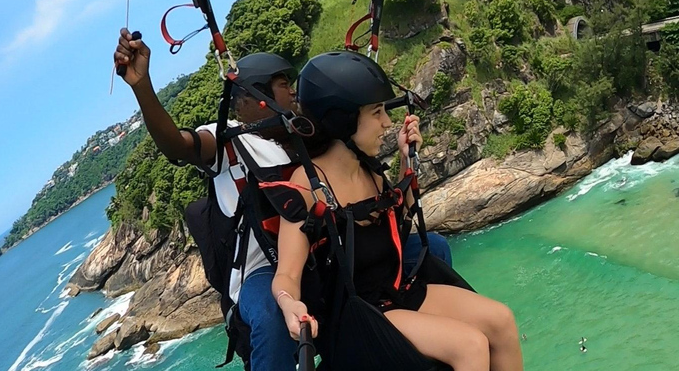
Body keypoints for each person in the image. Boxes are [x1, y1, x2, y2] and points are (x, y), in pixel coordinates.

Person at [114, 32, 454, 370]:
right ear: (253, 97)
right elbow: (178, 145)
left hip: (323, 252)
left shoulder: (304, 136)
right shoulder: (230, 140)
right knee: (269, 316)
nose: (291, 92)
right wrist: (141, 85)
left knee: (432, 249)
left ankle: (428, 346)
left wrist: (407, 161)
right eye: (281, 84)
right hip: (265, 268)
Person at [272, 51, 523, 371]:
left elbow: (396, 222)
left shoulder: (371, 172)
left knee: (501, 321)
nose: (387, 123)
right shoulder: (307, 187)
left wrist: (407, 161)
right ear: (342, 120)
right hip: (362, 316)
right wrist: (289, 304)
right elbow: (287, 274)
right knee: (469, 346)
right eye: (376, 112)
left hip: (399, 290)